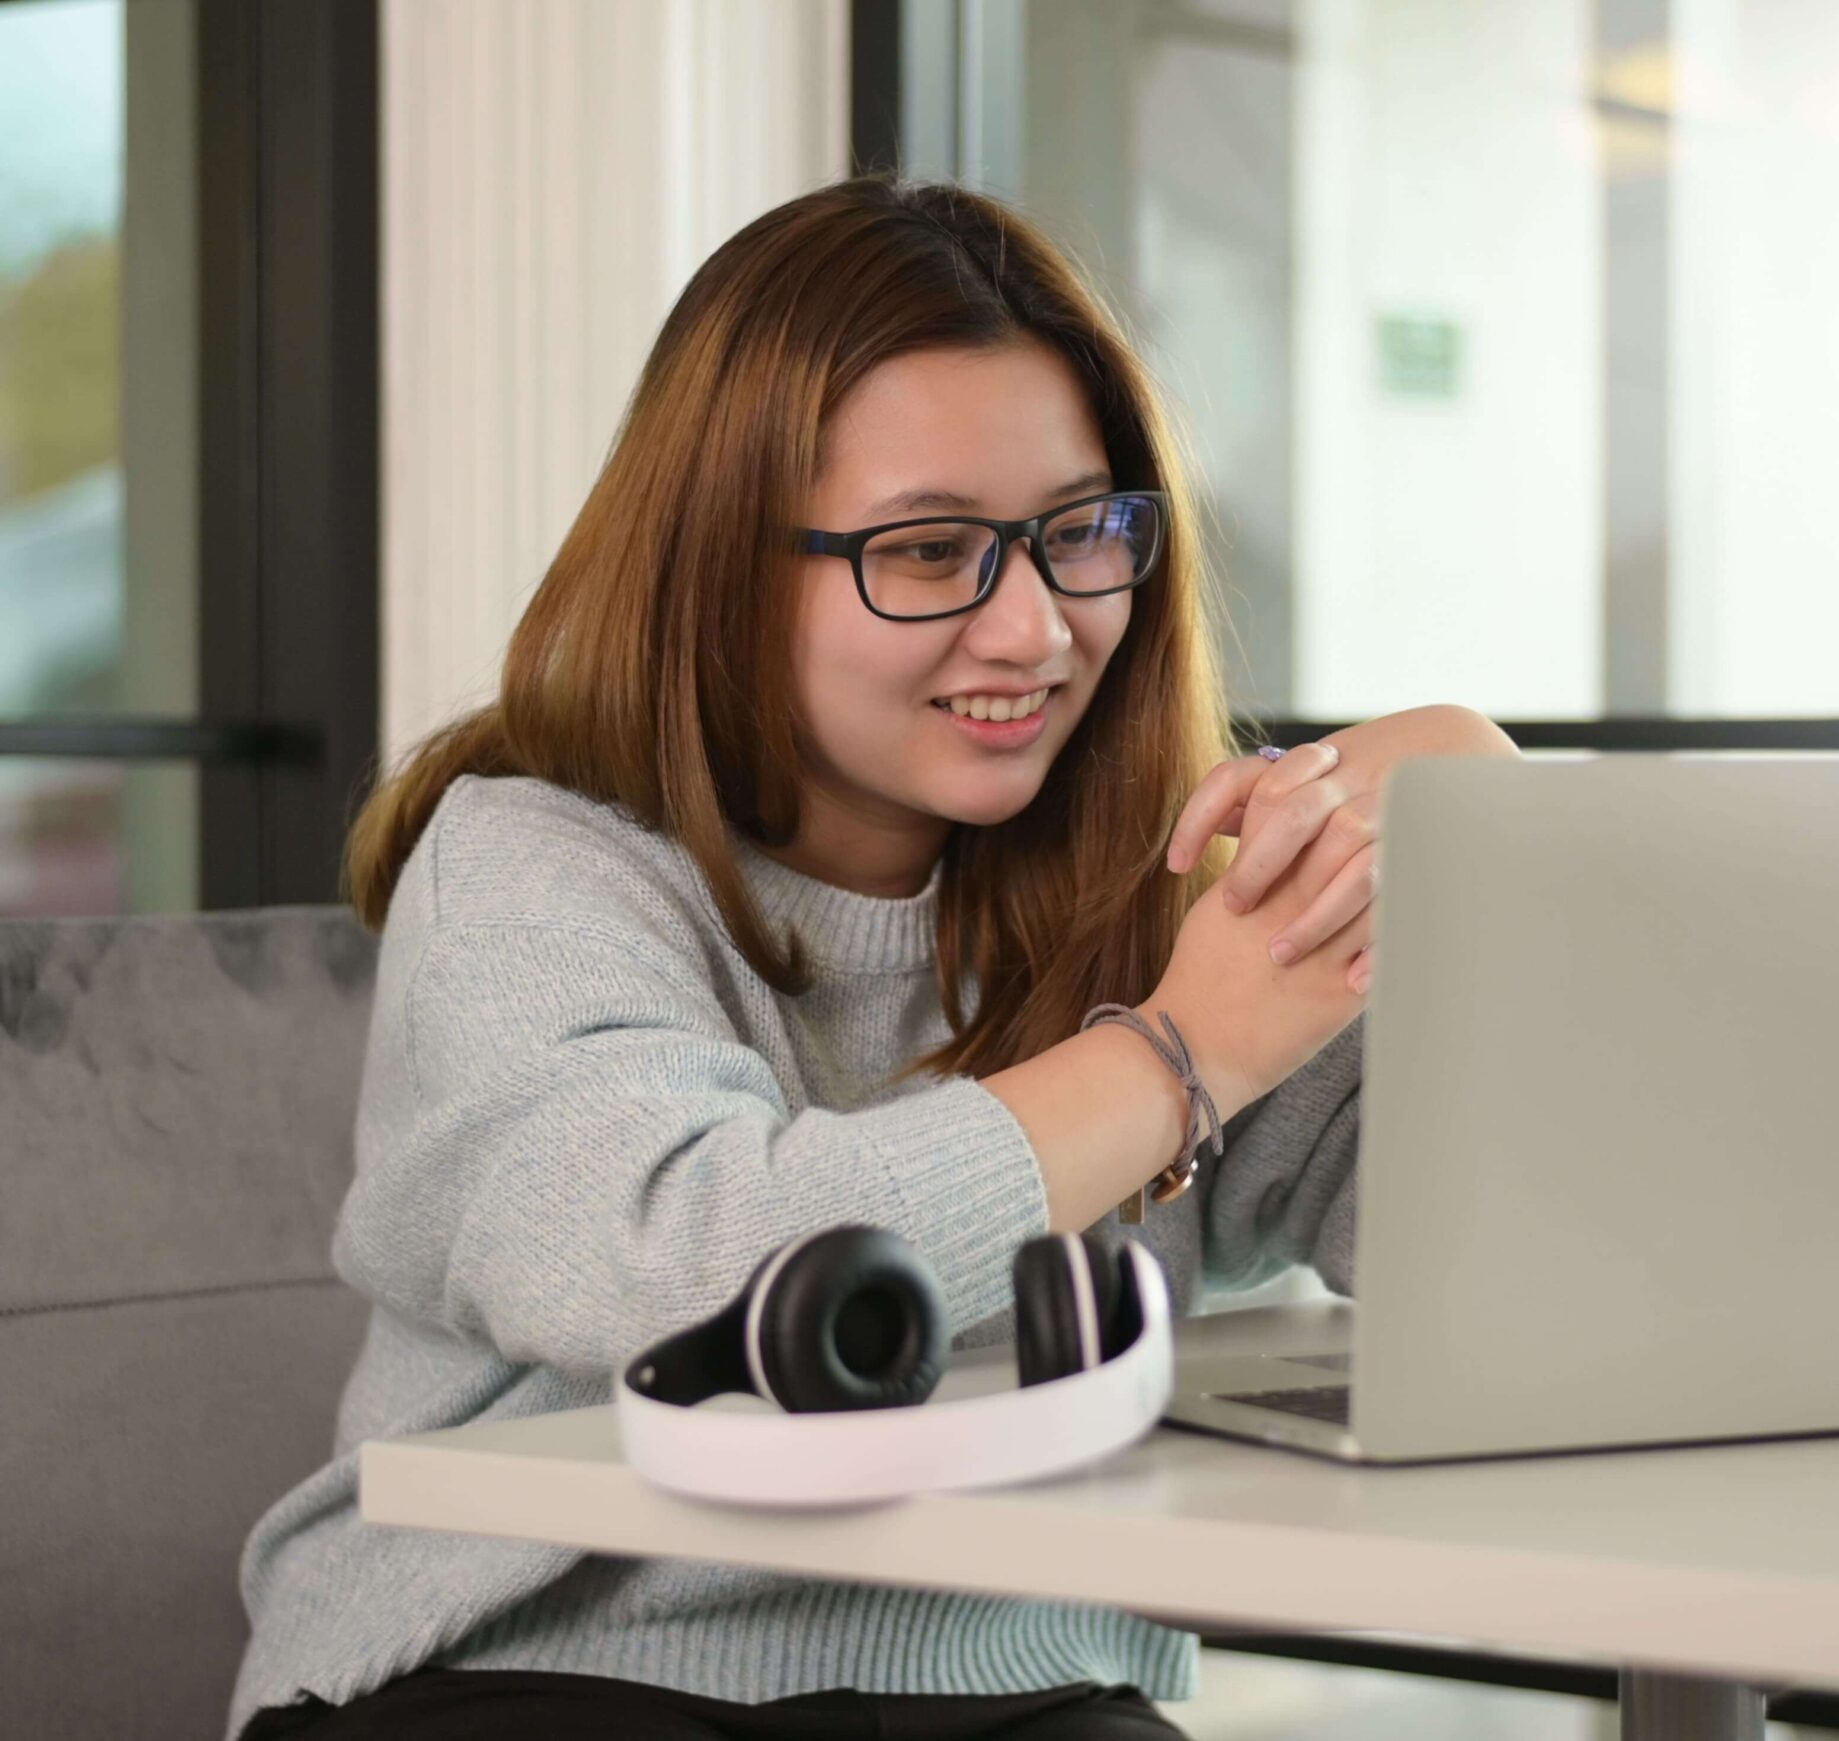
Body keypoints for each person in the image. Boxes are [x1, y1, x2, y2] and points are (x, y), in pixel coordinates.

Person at [225, 176, 1516, 1741]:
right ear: (721, 564)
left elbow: (1522, 1265)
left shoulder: (1163, 881)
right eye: (927, 550)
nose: (1034, 628)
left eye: (1077, 533)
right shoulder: (530, 864)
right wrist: (1183, 1055)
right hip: (538, 1664)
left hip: (1015, 1683)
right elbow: (698, 1266)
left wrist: (1489, 853)